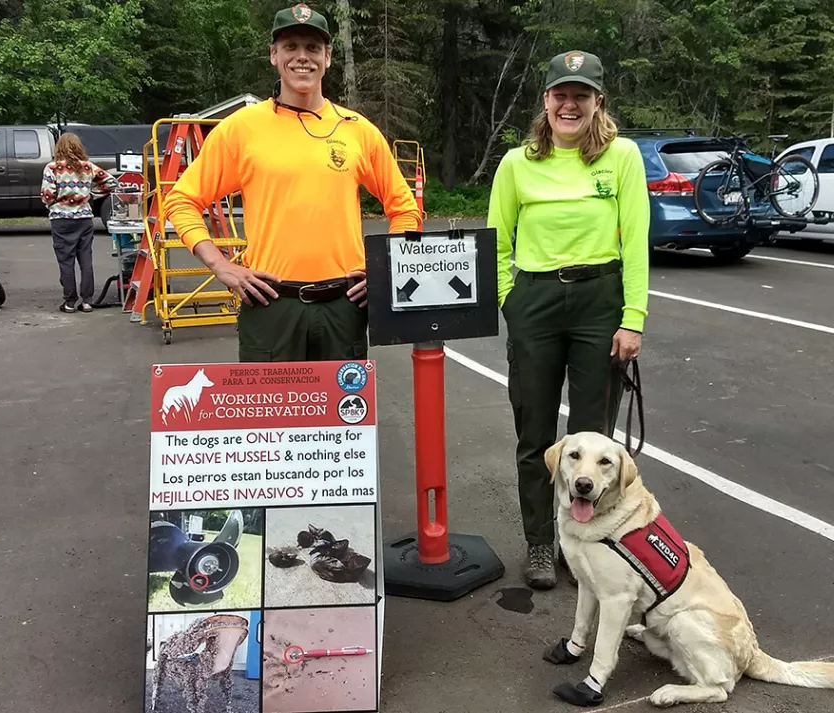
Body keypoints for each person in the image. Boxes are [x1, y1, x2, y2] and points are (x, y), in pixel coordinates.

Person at [165, 3, 422, 362]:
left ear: (328, 57)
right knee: (269, 417)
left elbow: (405, 208)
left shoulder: (357, 130)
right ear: (273, 55)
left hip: (342, 308)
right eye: (291, 47)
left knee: (343, 416)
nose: (302, 57)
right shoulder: (242, 128)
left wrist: (385, 266)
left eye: (313, 48)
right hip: (271, 304)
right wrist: (220, 265)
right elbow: (181, 200)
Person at [486, 49, 651, 589]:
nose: (570, 104)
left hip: (598, 299)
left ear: (598, 101)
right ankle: (540, 543)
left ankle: (590, 543)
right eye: (561, 94)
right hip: (533, 300)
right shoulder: (517, 163)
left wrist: (633, 317)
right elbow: (496, 241)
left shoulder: (621, 156)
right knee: (535, 435)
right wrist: (510, 299)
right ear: (547, 100)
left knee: (595, 438)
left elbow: (637, 240)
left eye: (581, 95)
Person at [40, 132, 118, 313]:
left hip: (61, 220)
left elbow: (47, 195)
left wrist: (55, 204)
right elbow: (111, 182)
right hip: (84, 219)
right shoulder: (88, 167)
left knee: (66, 262)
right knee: (85, 260)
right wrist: (92, 195)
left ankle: (69, 302)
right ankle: (87, 301)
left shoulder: (52, 168)